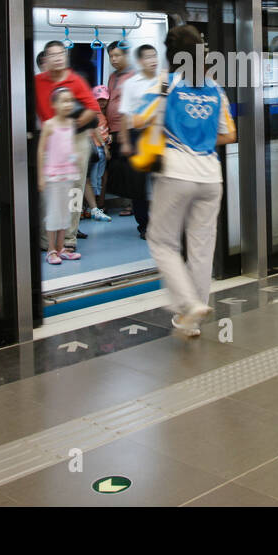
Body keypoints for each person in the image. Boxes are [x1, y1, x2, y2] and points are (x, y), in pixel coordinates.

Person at [139, 26, 236, 337]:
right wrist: (203, 137)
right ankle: (194, 315)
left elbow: (138, 119)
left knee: (161, 241)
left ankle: (187, 306)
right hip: (211, 176)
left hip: (176, 172)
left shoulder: (166, 83)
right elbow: (230, 134)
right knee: (202, 247)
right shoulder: (215, 89)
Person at [34, 41, 100, 251]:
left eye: (61, 53)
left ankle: (69, 239)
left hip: (76, 140)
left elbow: (93, 108)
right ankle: (48, 241)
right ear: (45, 59)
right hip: (51, 137)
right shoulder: (37, 82)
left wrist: (72, 126)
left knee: (74, 191)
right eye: (52, 55)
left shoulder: (76, 80)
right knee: (49, 194)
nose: (57, 58)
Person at [119, 43, 164, 240]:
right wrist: (126, 142)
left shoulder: (164, 80)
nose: (153, 60)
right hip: (138, 137)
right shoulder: (131, 83)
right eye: (148, 57)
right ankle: (144, 225)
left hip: (161, 136)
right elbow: (124, 114)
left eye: (155, 56)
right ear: (139, 61)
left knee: (162, 181)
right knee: (139, 186)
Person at [38, 87, 81, 265]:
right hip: (53, 176)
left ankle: (62, 248)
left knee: (66, 212)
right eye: (63, 101)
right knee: (53, 213)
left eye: (70, 100)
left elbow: (69, 146)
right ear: (54, 104)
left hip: (68, 174)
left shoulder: (71, 124)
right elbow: (41, 150)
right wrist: (41, 176)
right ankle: (51, 250)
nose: (68, 104)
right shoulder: (49, 125)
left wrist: (75, 159)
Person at [102, 41, 134, 216]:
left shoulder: (134, 76)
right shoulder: (113, 77)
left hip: (127, 129)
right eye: (111, 56)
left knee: (129, 168)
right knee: (118, 169)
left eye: (117, 55)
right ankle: (127, 202)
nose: (113, 59)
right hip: (112, 130)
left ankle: (132, 205)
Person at [84, 85, 112, 222]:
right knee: (93, 178)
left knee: (98, 177)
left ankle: (93, 207)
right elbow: (97, 131)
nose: (101, 103)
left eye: (104, 100)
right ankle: (92, 207)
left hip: (100, 148)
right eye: (98, 100)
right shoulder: (93, 115)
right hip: (96, 149)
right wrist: (105, 146)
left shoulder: (102, 115)